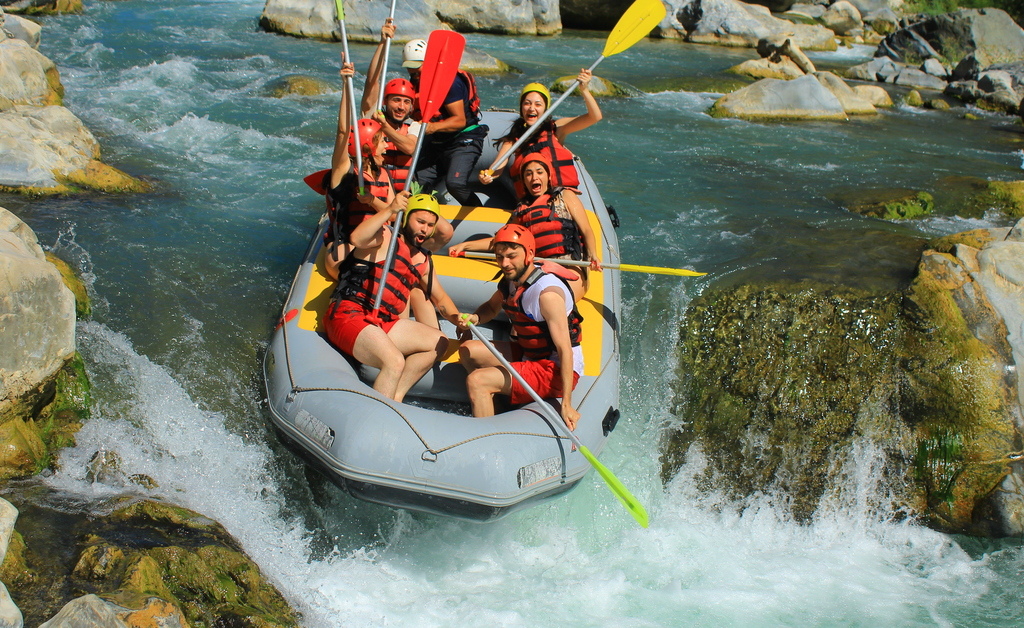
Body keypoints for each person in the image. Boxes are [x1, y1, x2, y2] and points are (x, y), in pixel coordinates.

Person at [323, 193, 466, 402]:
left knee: (439, 342)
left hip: (382, 322)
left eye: (430, 225)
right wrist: (390, 210)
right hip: (350, 314)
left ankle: (395, 397)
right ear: (406, 219)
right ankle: (378, 414)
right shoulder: (384, 238)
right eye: (420, 222)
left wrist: (457, 319)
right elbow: (356, 239)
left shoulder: (423, 261)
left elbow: (441, 299)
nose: (424, 229)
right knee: (394, 362)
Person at [457, 225, 584, 430]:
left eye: (511, 256)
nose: (505, 263)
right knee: (467, 351)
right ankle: (494, 407)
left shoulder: (547, 295)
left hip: (554, 370)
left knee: (477, 380)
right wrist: (474, 318)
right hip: (530, 353)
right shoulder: (511, 281)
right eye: (499, 257)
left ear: (530, 254)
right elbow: (490, 307)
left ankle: (488, 439)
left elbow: (565, 350)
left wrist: (566, 404)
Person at [448, 151, 601, 302]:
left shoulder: (565, 196)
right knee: (523, 305)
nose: (534, 177)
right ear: (524, 181)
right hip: (539, 267)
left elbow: (586, 229)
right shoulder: (521, 211)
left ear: (548, 176)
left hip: (569, 265)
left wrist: (593, 255)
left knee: (553, 301)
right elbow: (500, 241)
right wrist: (465, 245)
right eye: (528, 174)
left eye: (539, 172)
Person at [360, 19, 454, 250]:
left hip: (404, 195)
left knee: (445, 231)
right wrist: (383, 43)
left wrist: (385, 127)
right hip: (374, 191)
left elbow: (410, 148)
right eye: (396, 100)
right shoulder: (374, 118)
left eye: (406, 102)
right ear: (386, 102)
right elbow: (371, 83)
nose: (401, 107)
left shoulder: (415, 125)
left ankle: (415, 253)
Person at [324, 61, 405, 280]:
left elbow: (390, 212)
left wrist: (370, 200)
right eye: (382, 142)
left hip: (373, 241)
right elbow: (342, 132)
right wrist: (344, 86)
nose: (387, 146)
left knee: (389, 235)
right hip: (344, 250)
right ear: (367, 147)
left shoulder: (383, 174)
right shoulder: (345, 170)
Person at [479, 71, 602, 200]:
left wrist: (585, 90)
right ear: (521, 108)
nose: (532, 108)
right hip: (532, 201)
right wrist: (488, 176)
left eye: (538, 104)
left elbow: (595, 117)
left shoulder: (556, 129)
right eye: (527, 103)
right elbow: (497, 168)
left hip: (559, 198)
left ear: (545, 109)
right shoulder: (514, 139)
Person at [402, 37, 488, 207]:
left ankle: (479, 213)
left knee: (455, 184)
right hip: (437, 143)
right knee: (416, 186)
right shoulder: (417, 81)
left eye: (417, 69)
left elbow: (459, 120)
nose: (413, 75)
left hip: (463, 139)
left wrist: (431, 127)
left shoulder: (451, 83)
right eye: (410, 70)